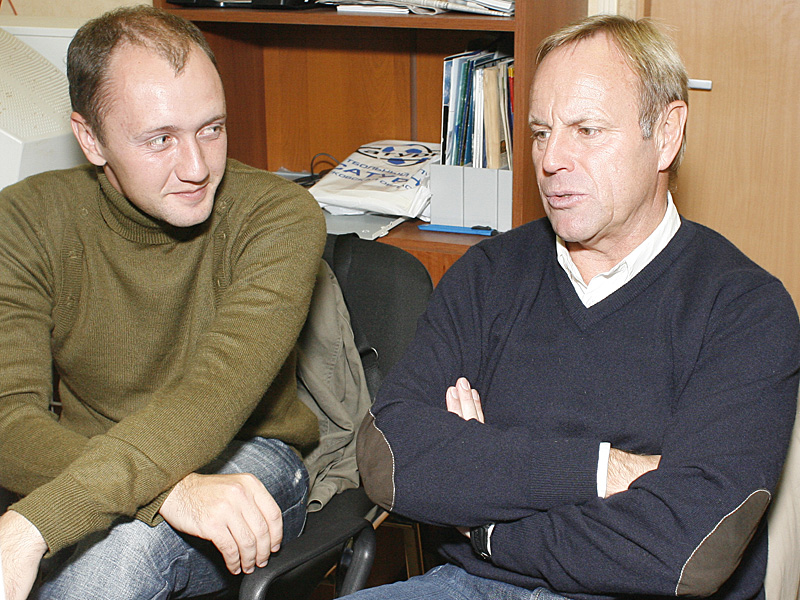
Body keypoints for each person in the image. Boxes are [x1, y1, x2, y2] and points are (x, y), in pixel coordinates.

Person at [351, 14, 800, 600]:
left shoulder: (745, 309)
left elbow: (689, 552)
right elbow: (388, 456)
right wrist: (602, 470)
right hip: (469, 586)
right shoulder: (489, 274)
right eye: (541, 132)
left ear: (666, 134)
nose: (550, 159)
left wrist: (485, 516)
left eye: (586, 130)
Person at [0, 6, 326, 600]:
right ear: (90, 139)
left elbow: (211, 394)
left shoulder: (278, 216)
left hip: (244, 455)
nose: (197, 168)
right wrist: (167, 492)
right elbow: (8, 419)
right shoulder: (26, 219)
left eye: (212, 129)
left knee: (117, 554)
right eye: (160, 139)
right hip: (90, 460)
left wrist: (35, 524)